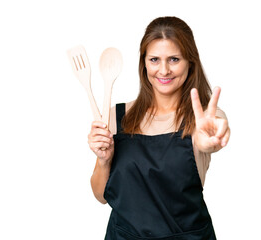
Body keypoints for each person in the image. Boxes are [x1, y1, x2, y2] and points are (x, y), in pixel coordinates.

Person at [88, 16, 231, 240]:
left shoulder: (205, 119)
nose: (163, 70)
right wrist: (104, 159)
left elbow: (210, 139)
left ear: (190, 63)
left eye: (174, 59)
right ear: (144, 63)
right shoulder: (116, 116)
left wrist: (208, 142)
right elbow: (101, 195)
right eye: (154, 59)